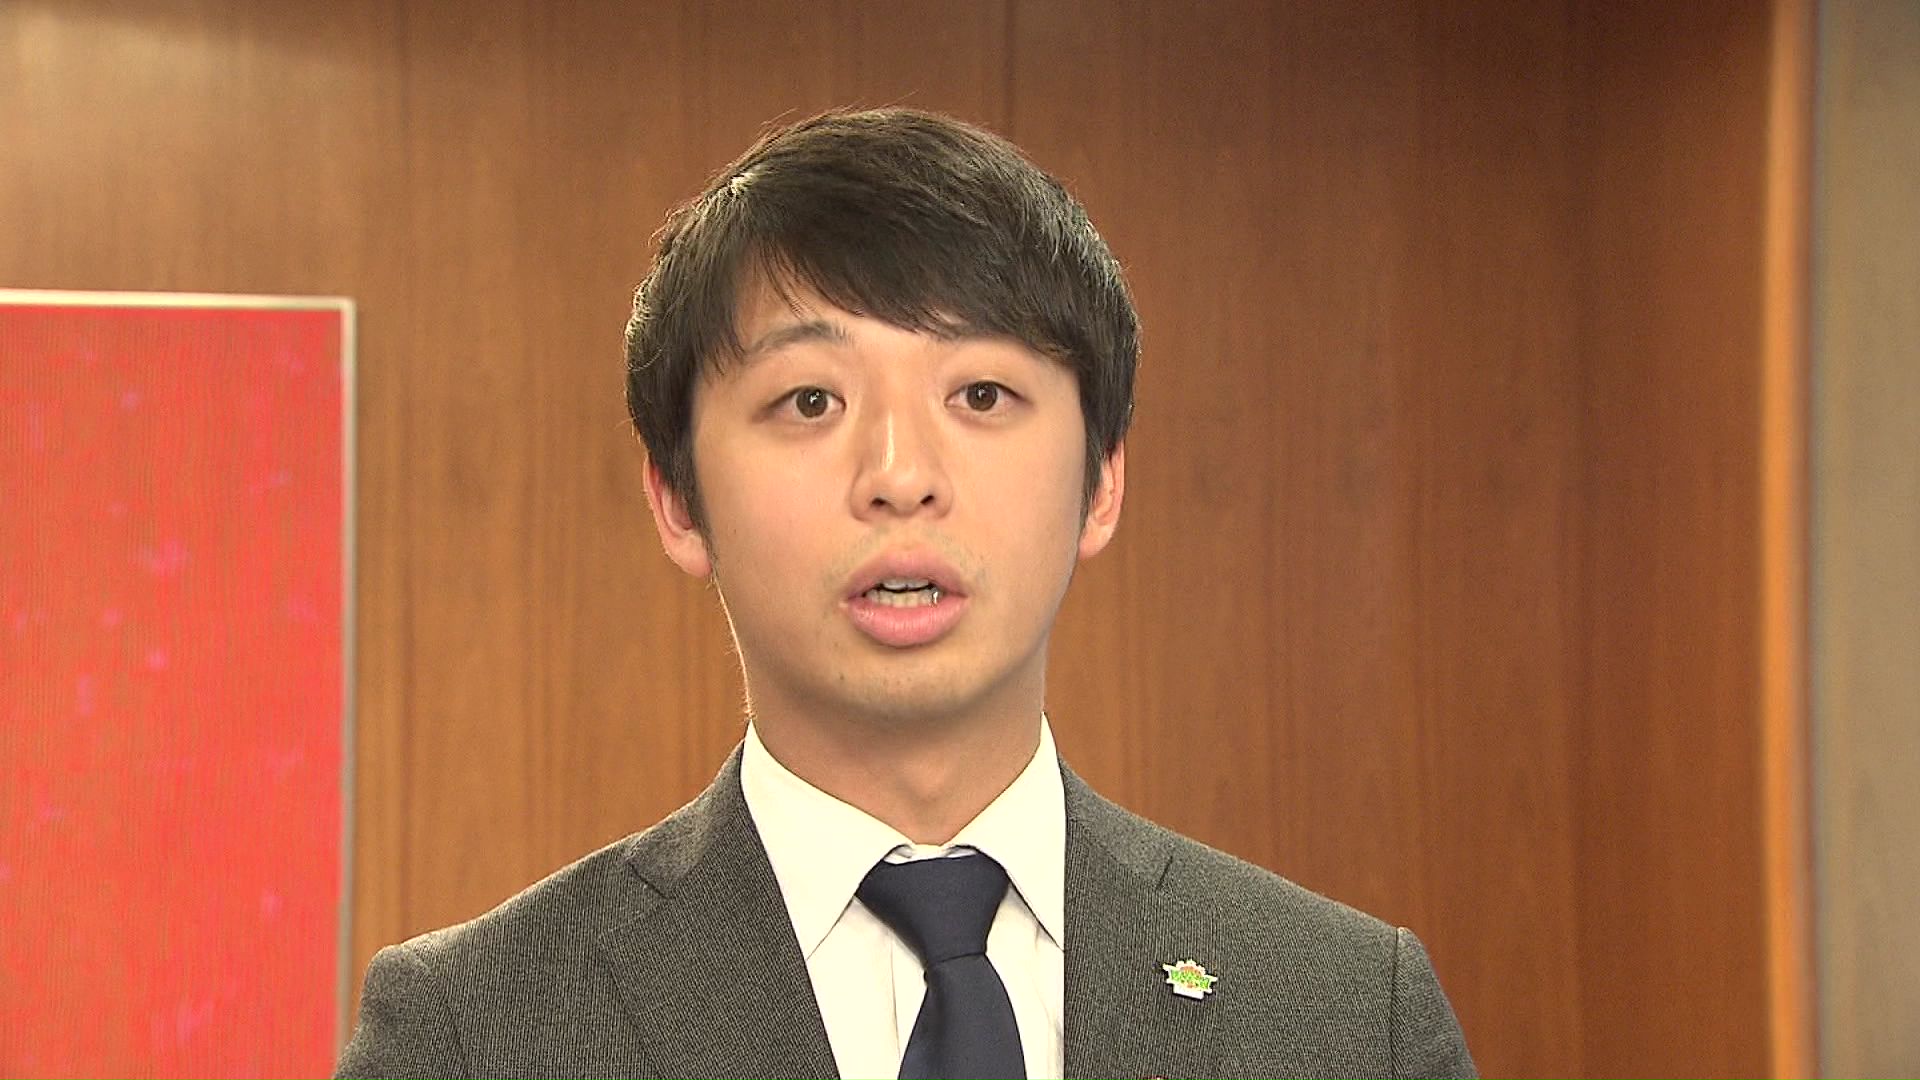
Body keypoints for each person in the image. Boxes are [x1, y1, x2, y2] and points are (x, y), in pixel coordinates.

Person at [336, 107, 1476, 1080]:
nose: (900, 476)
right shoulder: (472, 1031)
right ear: (677, 500)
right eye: (810, 402)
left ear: (1101, 484)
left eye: (981, 394)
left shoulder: (1345, 1012)